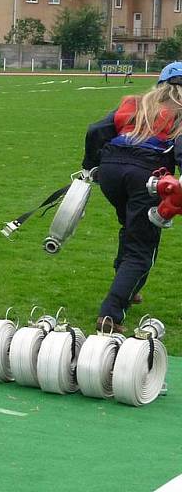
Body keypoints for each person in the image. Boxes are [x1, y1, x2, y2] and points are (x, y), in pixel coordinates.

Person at [82, 61, 182, 333]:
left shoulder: (136, 103)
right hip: (147, 174)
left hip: (112, 170)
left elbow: (95, 130)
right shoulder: (181, 112)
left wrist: (90, 166)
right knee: (142, 246)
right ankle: (111, 315)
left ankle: (129, 286)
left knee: (131, 228)